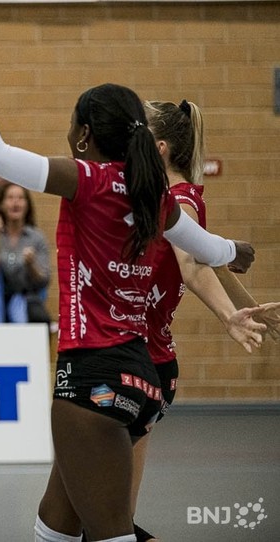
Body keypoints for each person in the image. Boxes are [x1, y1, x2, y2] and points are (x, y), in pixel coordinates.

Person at [0, 3, 264, 541]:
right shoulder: (157, 196)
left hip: (93, 378)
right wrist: (235, 249)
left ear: (84, 135)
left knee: (107, 535)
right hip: (141, 378)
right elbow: (205, 248)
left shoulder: (91, 179)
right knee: (54, 527)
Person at [118, 99, 280, 542]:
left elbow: (192, 263)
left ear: (161, 147)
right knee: (112, 523)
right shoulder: (163, 198)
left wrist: (230, 318)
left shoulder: (179, 200)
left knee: (107, 524)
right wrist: (248, 305)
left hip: (141, 364)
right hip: (146, 360)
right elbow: (210, 260)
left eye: (139, 134)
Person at [0, 182, 51, 324]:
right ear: (2, 204)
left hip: (28, 300)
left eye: (20, 198)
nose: (15, 202)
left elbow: (44, 279)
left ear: (27, 204)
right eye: (10, 198)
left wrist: (31, 265)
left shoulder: (36, 237)